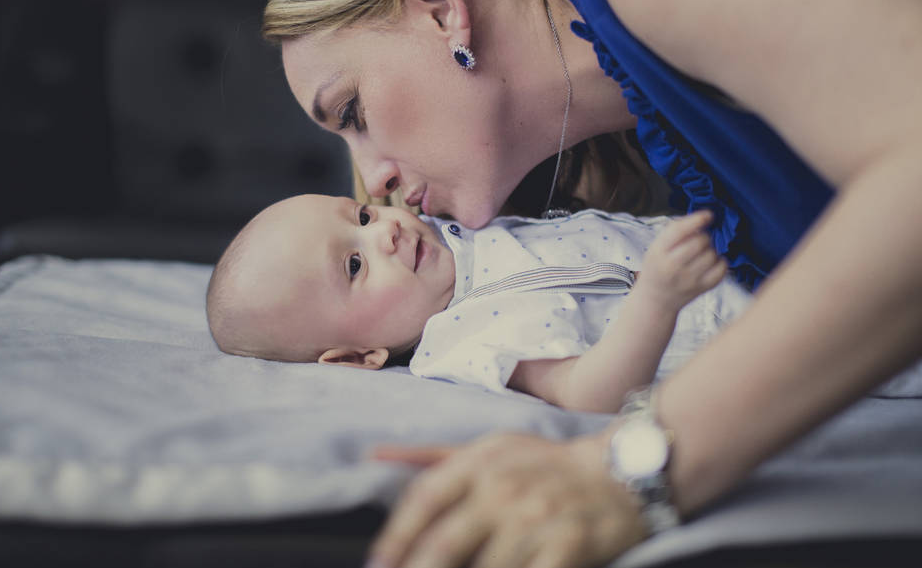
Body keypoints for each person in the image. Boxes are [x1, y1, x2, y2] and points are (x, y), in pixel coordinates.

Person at [262, 0, 922, 567]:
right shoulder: (671, 137)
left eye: (353, 113)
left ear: (438, 7)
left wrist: (633, 464)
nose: (374, 182)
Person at [206, 194, 747, 413]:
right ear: (356, 356)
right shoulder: (461, 341)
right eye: (354, 265)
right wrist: (656, 300)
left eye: (363, 217)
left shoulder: (457, 224)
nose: (385, 234)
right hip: (741, 338)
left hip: (740, 250)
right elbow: (589, 392)